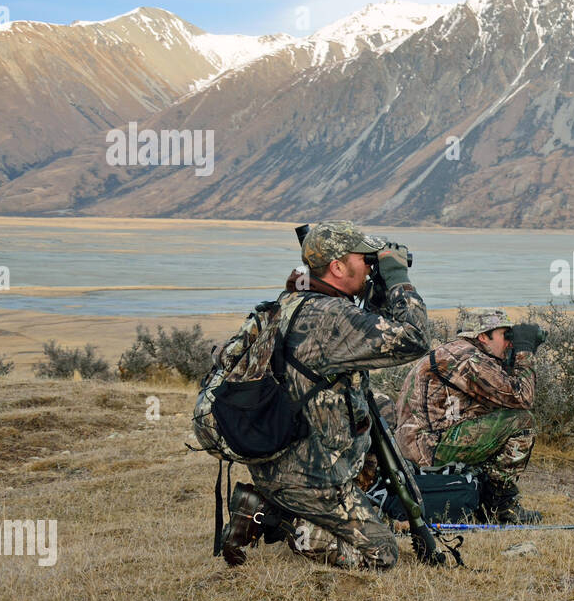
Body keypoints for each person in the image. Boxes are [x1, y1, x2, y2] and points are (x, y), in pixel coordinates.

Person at [218, 220, 429, 569]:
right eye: (366, 259)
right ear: (337, 267)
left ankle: (274, 502)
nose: (371, 265)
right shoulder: (329, 316)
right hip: (305, 473)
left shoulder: (297, 300)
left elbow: (368, 340)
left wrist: (375, 289)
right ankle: (276, 518)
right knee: (381, 555)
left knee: (382, 409)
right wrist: (398, 280)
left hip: (279, 454)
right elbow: (413, 339)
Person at [394, 308, 544, 523]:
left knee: (499, 417)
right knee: (522, 421)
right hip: (430, 447)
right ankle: (499, 507)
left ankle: (482, 495)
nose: (510, 342)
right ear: (483, 336)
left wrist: (513, 357)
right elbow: (522, 398)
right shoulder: (469, 359)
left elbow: (499, 398)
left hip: (424, 442)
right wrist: (525, 351)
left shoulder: (459, 352)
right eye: (505, 336)